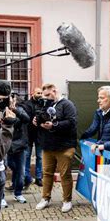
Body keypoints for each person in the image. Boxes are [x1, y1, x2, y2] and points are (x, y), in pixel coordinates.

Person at [34, 84, 78, 213]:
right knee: (47, 174)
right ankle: (45, 198)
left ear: (55, 91)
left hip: (65, 146)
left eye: (48, 95)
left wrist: (54, 125)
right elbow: (41, 118)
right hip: (48, 146)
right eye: (44, 96)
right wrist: (36, 121)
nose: (46, 98)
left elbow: (71, 122)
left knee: (65, 174)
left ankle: (67, 200)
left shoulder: (67, 104)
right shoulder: (45, 104)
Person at [80, 86, 110, 154]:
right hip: (106, 156)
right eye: (98, 98)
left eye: (101, 98)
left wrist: (103, 146)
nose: (98, 101)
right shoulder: (102, 112)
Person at [5, 95, 30, 203]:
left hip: (19, 145)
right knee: (3, 171)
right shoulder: (1, 110)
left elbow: (26, 119)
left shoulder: (19, 109)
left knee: (20, 171)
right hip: (5, 145)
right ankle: (1, 197)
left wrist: (14, 110)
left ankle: (18, 193)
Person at [23, 88, 43, 187]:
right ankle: (27, 178)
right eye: (38, 93)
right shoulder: (27, 104)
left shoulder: (43, 104)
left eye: (41, 93)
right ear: (33, 93)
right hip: (29, 134)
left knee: (39, 157)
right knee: (27, 156)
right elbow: (26, 118)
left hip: (40, 134)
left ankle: (39, 178)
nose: (40, 94)